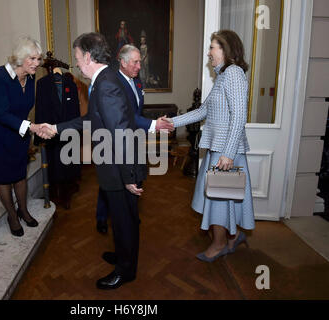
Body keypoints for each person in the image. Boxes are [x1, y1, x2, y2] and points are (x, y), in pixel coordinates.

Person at [42, 32, 147, 290]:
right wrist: (56, 128)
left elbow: (120, 132)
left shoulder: (106, 83)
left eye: (78, 57)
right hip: (118, 164)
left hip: (120, 167)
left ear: (88, 56)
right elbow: (91, 120)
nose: (76, 64)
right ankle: (125, 256)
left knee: (124, 220)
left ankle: (126, 271)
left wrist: (130, 178)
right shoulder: (105, 80)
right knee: (123, 218)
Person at [163, 30, 255, 262]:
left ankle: (220, 244)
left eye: (213, 47)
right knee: (223, 199)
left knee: (219, 200)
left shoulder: (233, 74)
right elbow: (203, 111)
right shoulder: (223, 77)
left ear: (226, 50)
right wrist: (172, 122)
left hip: (226, 153)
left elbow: (239, 117)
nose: (209, 52)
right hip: (220, 151)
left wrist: (228, 154)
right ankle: (232, 239)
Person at [95, 44, 173, 234]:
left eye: (140, 61)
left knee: (135, 177)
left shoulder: (137, 82)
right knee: (111, 184)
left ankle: (131, 214)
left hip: (135, 138)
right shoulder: (113, 83)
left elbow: (138, 111)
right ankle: (102, 218)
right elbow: (128, 116)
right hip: (117, 141)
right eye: (135, 62)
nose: (140, 66)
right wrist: (154, 124)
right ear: (122, 62)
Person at [0, 36, 47, 237]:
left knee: (19, 173)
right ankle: (12, 216)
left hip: (18, 131)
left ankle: (23, 210)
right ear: (21, 58)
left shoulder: (31, 77)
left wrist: (30, 130)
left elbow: (24, 108)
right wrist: (32, 127)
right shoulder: (0, 76)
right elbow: (0, 113)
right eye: (32, 59)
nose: (37, 63)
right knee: (3, 177)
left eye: (38, 59)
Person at [34, 70, 81, 210]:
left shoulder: (71, 85)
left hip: (67, 133)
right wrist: (39, 135)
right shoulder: (42, 84)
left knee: (67, 164)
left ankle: (66, 193)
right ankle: (54, 193)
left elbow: (75, 112)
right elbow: (39, 110)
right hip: (49, 133)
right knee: (53, 164)